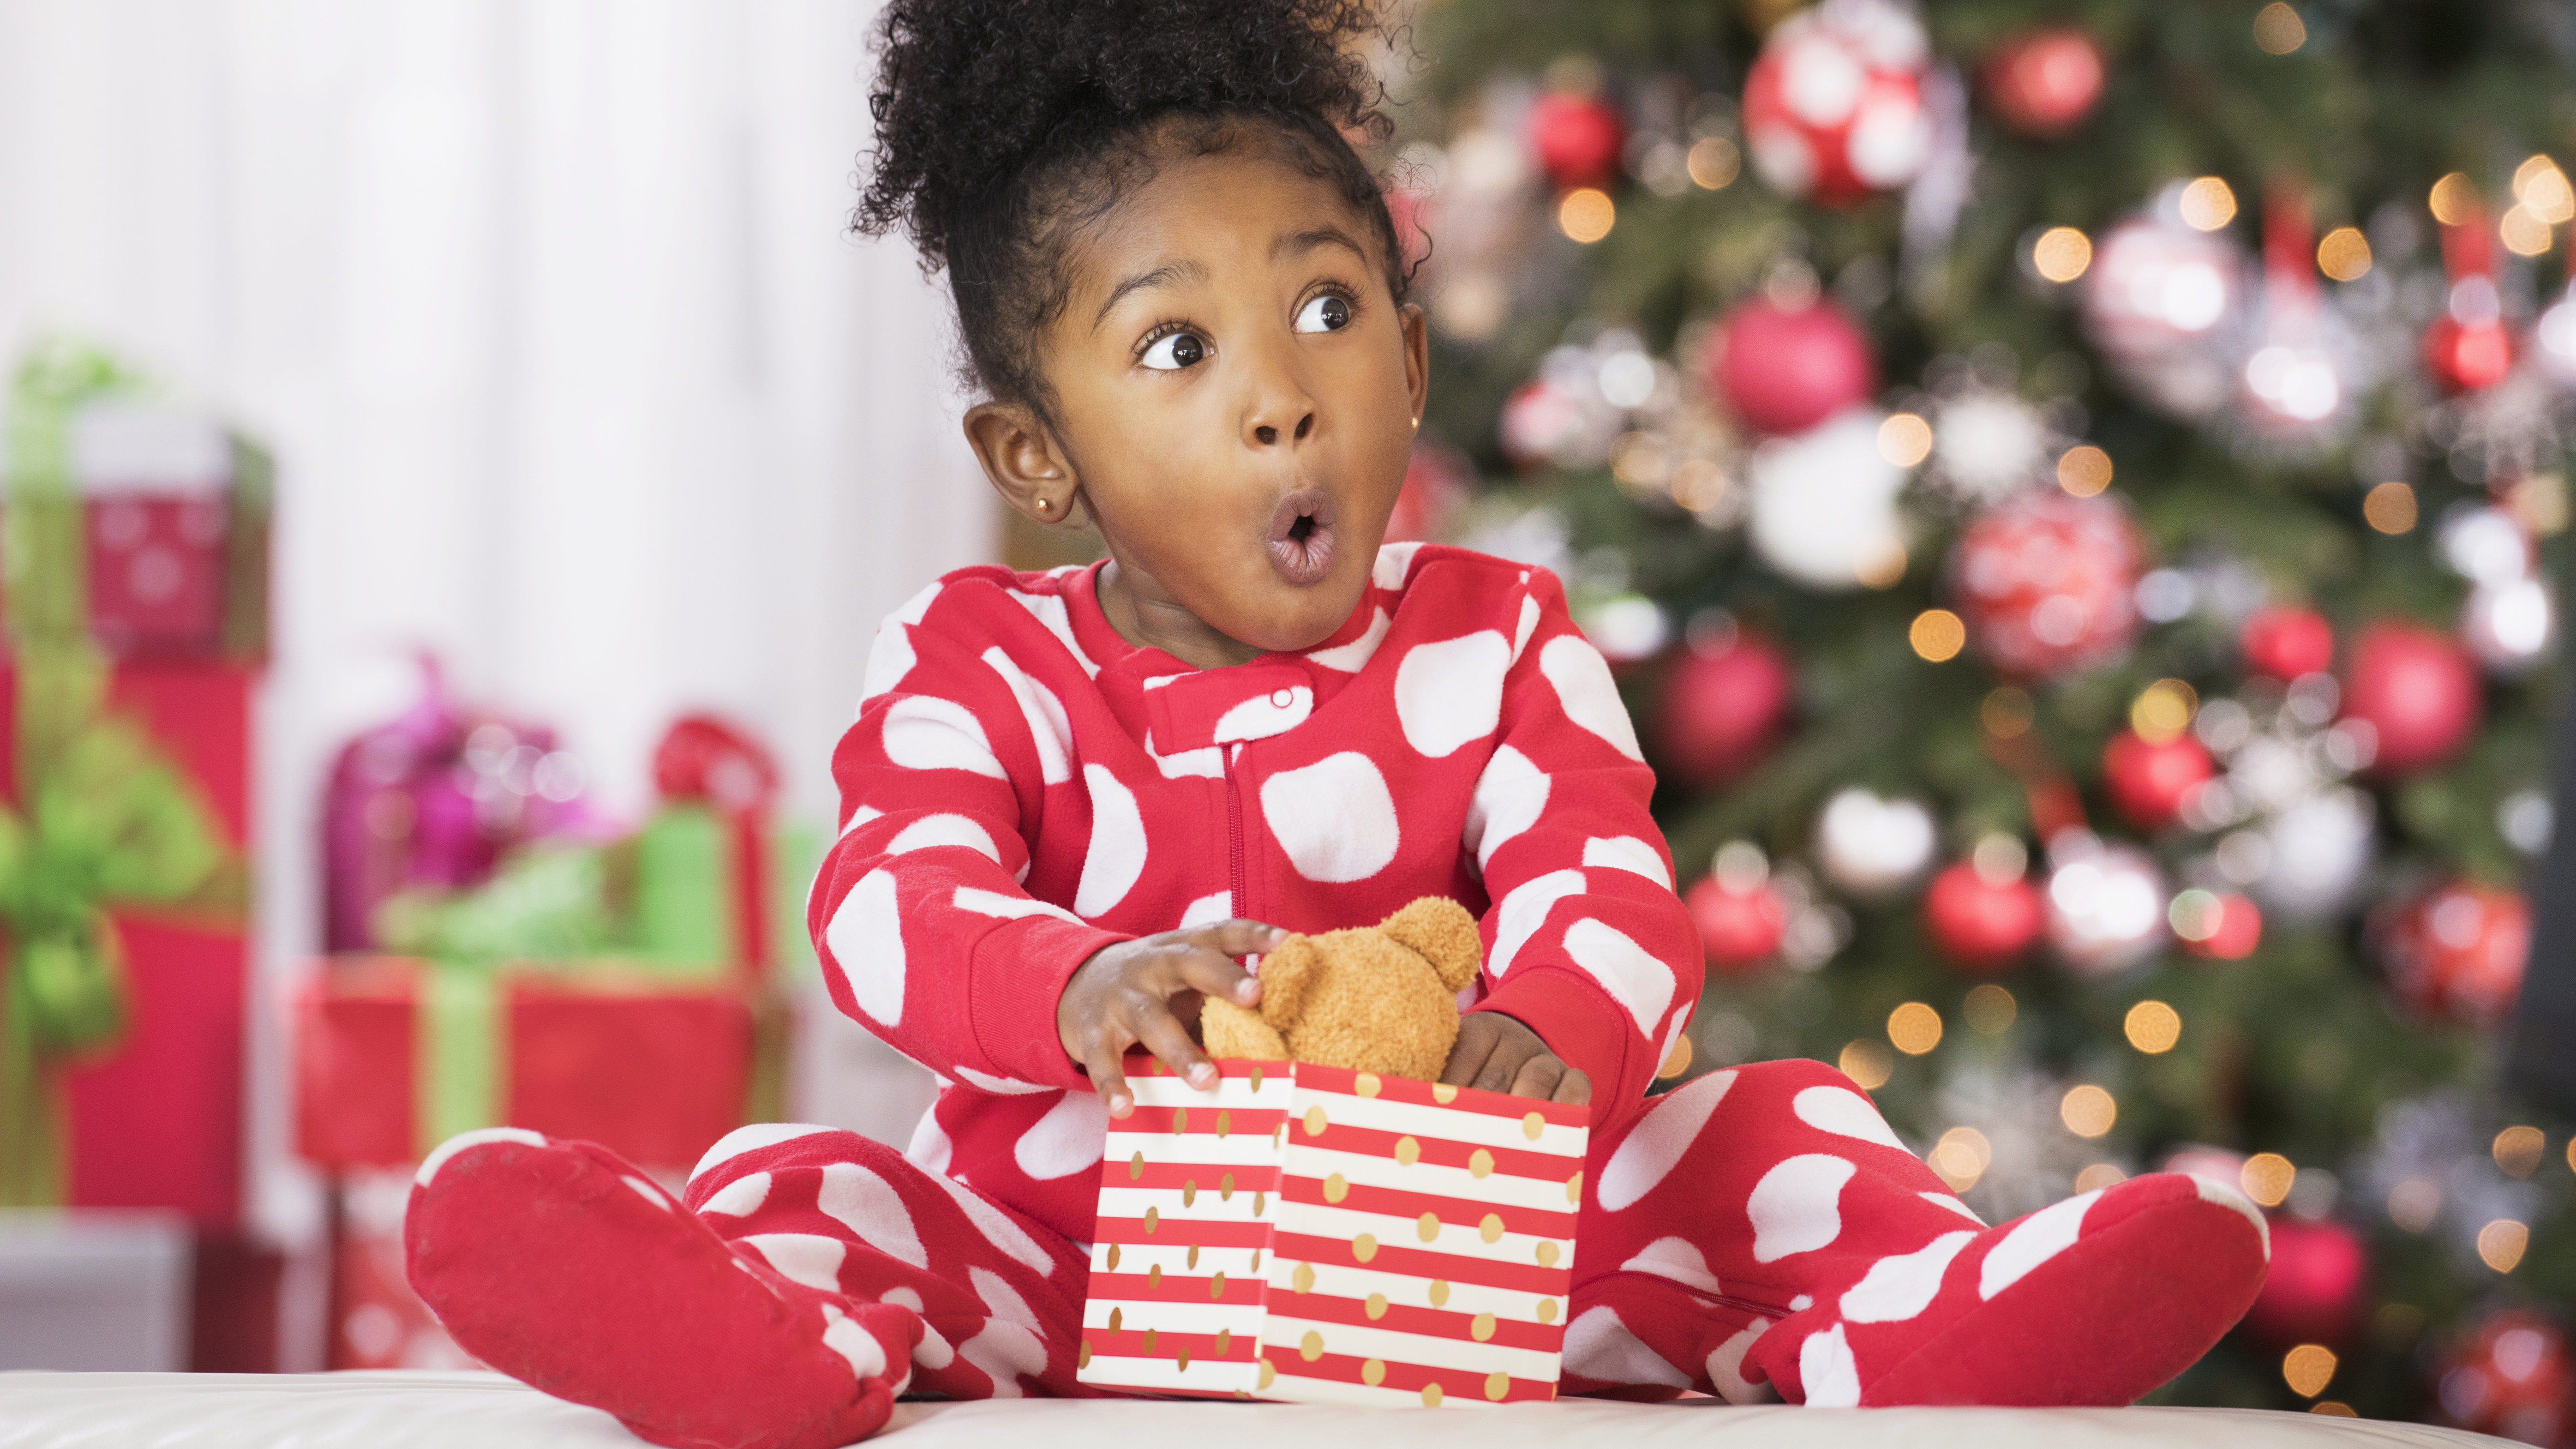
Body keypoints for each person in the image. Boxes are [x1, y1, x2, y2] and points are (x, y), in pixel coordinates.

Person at [404, 3, 2269, 1445]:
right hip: (1080, 1247)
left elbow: (1601, 870)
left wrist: (1554, 1020)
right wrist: (1071, 981)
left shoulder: (1502, 636)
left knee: (1773, 1127)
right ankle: (761, 1330)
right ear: (1036, 455)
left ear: (1414, 349)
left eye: (1324, 305)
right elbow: (887, 897)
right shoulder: (977, 656)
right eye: (1176, 349)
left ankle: (1930, 1313)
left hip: (1478, 1257)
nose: (1283, 398)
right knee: (817, 1179)